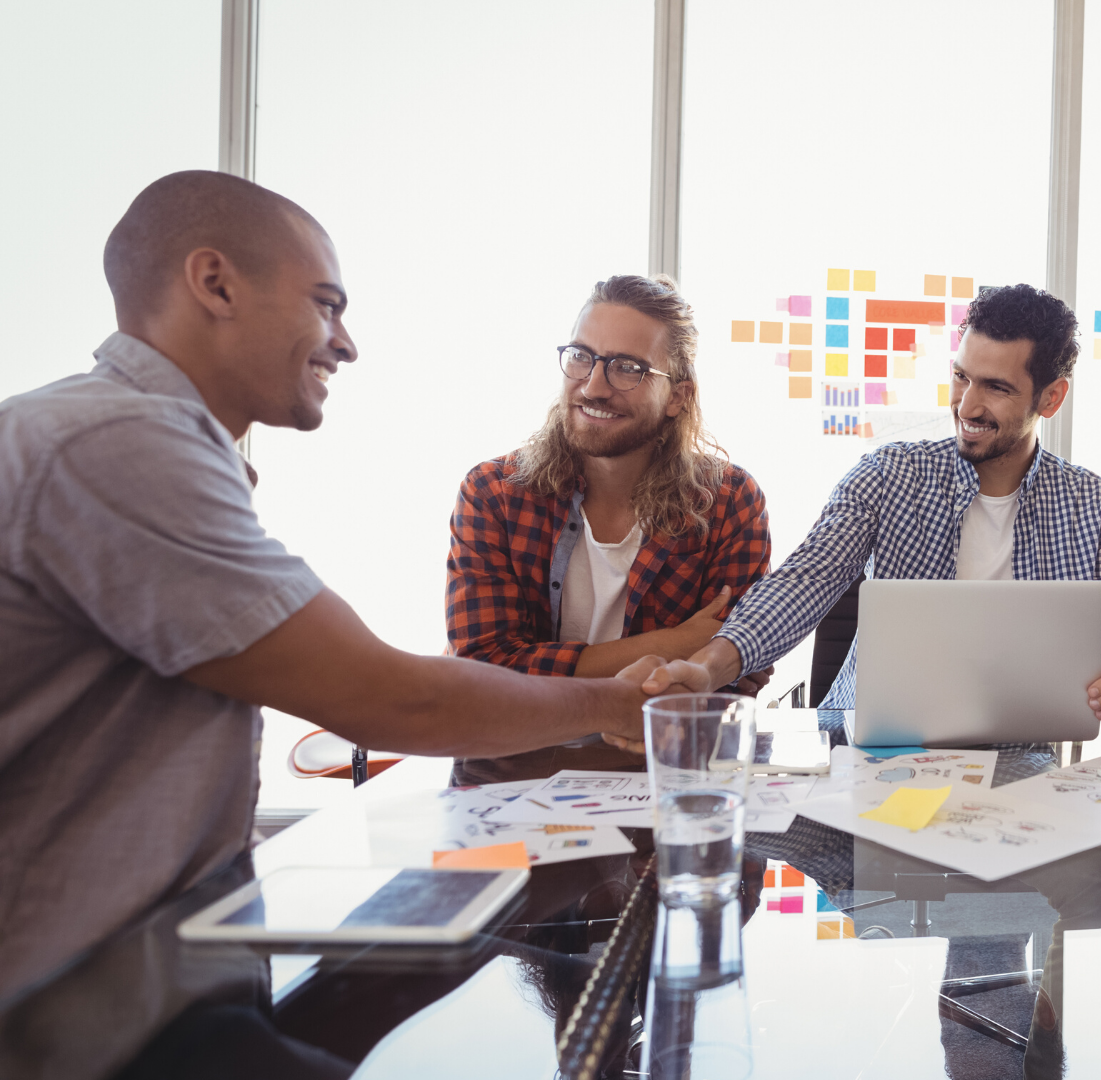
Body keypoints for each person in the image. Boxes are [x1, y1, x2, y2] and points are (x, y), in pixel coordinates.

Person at [0, 171, 659, 1006]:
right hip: (72, 1012)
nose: (344, 344)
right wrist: (610, 704)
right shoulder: (118, 444)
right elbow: (390, 698)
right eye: (325, 303)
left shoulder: (128, 437)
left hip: (148, 974)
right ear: (215, 284)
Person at [610, 283, 1101, 728]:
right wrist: (707, 669)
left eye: (996, 388)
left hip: (1021, 757)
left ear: (1051, 398)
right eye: (961, 376)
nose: (966, 404)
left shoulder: (1092, 504)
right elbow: (805, 582)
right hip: (866, 744)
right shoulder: (889, 475)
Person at [446, 275, 772, 694]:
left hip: (660, 756)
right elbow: (482, 670)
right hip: (518, 756)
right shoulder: (493, 493)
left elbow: (735, 676)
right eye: (582, 356)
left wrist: (543, 669)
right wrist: (672, 644)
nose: (594, 387)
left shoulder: (727, 501)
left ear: (677, 396)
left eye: (627, 368)